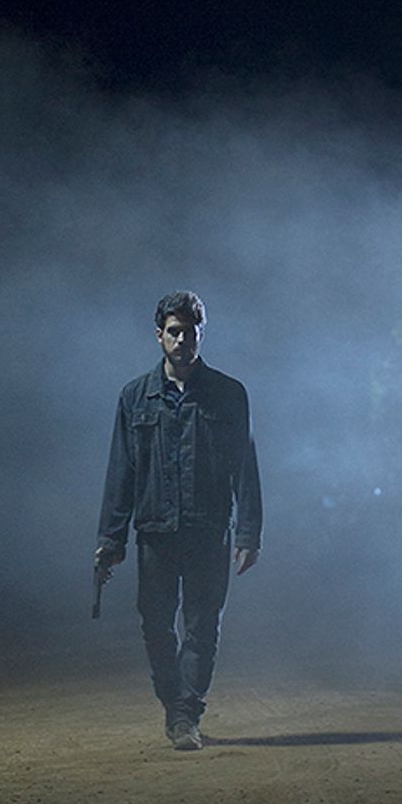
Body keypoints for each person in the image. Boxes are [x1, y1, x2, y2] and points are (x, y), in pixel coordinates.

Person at [94, 291, 262, 750]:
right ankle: (174, 702)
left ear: (201, 334)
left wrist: (249, 534)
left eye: (190, 332)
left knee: (202, 625)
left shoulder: (228, 394)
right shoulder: (135, 397)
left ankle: (186, 714)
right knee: (155, 624)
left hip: (209, 529)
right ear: (159, 335)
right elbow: (122, 471)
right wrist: (111, 539)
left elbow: (244, 466)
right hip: (156, 532)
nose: (182, 340)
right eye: (174, 332)